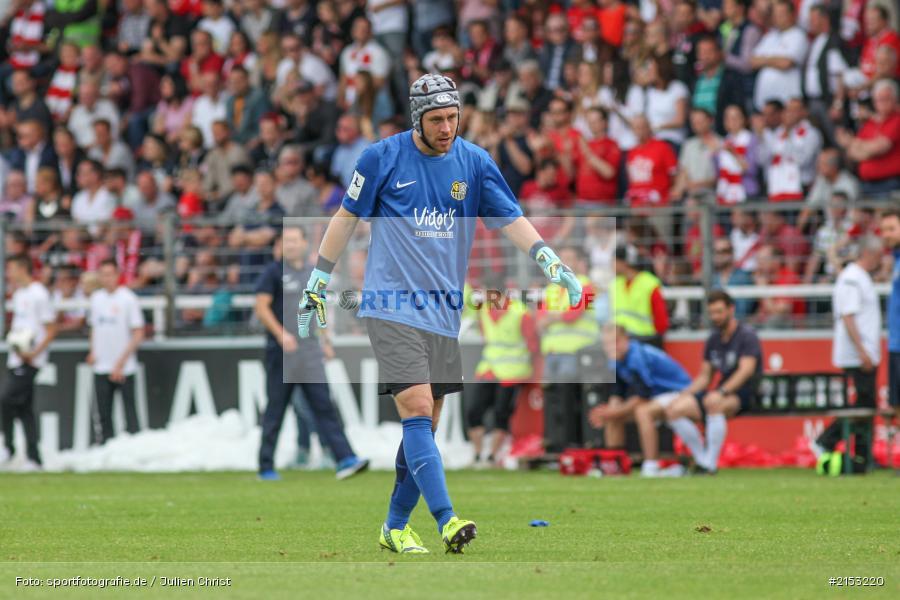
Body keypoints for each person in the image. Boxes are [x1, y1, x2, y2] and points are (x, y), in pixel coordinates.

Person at [297, 73, 584, 554]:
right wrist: (319, 278)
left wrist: (548, 258)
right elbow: (345, 217)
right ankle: (447, 520)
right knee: (416, 410)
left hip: (444, 311)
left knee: (425, 428)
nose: (447, 127)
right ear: (418, 118)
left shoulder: (474, 162)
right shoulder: (382, 158)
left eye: (453, 117)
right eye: (437, 119)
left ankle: (393, 526)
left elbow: (509, 216)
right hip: (390, 305)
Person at [254, 226, 369, 482]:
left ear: (305, 243)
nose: (291, 245)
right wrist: (281, 334)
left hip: (308, 352)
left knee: (324, 405)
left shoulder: (312, 274)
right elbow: (261, 308)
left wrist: (325, 341)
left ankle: (346, 458)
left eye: (295, 240)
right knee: (275, 409)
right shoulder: (273, 273)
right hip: (281, 355)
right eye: (286, 241)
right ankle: (265, 466)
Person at [665, 290, 763, 474]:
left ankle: (710, 463)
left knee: (713, 402)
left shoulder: (746, 335)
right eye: (712, 313)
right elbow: (705, 376)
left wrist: (722, 392)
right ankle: (702, 460)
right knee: (674, 410)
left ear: (731, 309)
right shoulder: (713, 339)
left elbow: (746, 371)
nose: (715, 317)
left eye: (719, 312)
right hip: (721, 392)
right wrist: (684, 395)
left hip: (745, 393)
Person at [810, 236, 883, 464]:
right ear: (869, 254)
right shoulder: (852, 278)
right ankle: (825, 440)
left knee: (867, 405)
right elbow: (848, 316)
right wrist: (861, 351)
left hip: (863, 352)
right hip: (857, 355)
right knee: (862, 405)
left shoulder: (856, 276)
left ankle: (863, 455)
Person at [588, 325, 692, 477]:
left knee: (642, 412)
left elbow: (642, 396)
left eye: (615, 342)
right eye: (607, 343)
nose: (610, 347)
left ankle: (651, 466)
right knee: (614, 415)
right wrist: (608, 412)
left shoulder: (637, 356)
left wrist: (614, 412)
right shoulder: (616, 360)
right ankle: (614, 464)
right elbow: (618, 392)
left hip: (678, 393)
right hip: (656, 397)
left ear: (626, 340)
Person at [466, 272, 540, 468]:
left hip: (512, 372)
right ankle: (478, 455)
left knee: (501, 414)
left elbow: (532, 345)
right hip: (489, 369)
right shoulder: (483, 311)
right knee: (474, 412)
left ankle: (492, 457)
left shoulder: (520, 312)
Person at [1, 255, 57, 470]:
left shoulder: (38, 294)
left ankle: (8, 447)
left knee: (5, 399)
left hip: (31, 360)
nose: (8, 273)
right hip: (17, 357)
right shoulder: (19, 294)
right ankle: (34, 458)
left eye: (11, 268)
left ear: (23, 269)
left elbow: (51, 329)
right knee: (24, 408)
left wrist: (34, 353)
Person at [87, 260, 145, 444]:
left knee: (130, 411)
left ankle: (133, 448)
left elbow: (138, 332)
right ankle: (105, 447)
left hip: (124, 366)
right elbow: (94, 328)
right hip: (102, 365)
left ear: (117, 275)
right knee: (103, 412)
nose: (107, 278)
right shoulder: (96, 299)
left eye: (110, 274)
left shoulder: (128, 299)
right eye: (103, 274)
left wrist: (121, 362)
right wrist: (93, 351)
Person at [612, 245, 668, 347]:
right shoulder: (615, 285)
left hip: (646, 342)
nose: (612, 265)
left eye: (614, 261)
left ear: (624, 262)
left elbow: (661, 322)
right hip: (621, 344)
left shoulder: (649, 284)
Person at [880, 209, 900, 422]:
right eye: (883, 230)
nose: (886, 234)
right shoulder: (895, 259)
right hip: (895, 344)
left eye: (892, 229)